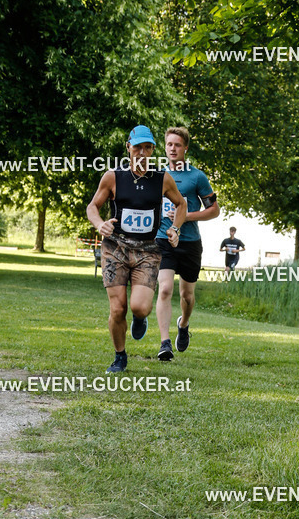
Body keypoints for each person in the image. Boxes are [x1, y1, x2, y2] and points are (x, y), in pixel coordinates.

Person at [86, 125, 187, 373]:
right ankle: (120, 356)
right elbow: (92, 206)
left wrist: (175, 228)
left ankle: (140, 318)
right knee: (117, 308)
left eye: (148, 148)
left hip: (147, 250)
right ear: (128, 147)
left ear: (152, 150)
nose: (142, 152)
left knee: (140, 307)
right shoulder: (113, 176)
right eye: (138, 147)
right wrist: (99, 224)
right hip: (116, 247)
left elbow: (181, 204)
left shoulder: (162, 178)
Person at [155, 126, 220, 359]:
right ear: (165, 147)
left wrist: (185, 216)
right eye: (169, 144)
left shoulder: (197, 177)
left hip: (190, 241)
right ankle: (165, 343)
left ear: (185, 149)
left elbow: (214, 210)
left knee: (187, 296)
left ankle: (183, 324)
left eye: (178, 145)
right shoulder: (157, 175)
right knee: (164, 289)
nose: (173, 149)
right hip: (163, 239)